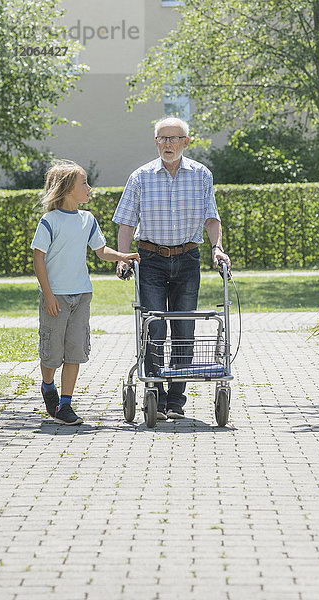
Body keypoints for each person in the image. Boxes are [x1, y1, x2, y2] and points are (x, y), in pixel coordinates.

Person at [113, 117, 231, 420]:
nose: (167, 144)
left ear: (186, 142)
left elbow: (211, 217)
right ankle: (155, 392)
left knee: (184, 329)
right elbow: (126, 220)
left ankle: (176, 401)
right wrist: (123, 257)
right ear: (156, 142)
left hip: (188, 259)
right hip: (150, 259)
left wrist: (217, 248)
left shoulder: (202, 175)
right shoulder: (140, 177)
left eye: (174, 138)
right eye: (162, 139)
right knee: (154, 327)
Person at [31, 160, 139, 425]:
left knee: (75, 351)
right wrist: (48, 294)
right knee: (52, 355)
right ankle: (48, 386)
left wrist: (122, 256)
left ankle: (65, 405)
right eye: (84, 183)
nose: (89, 188)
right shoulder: (49, 221)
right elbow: (38, 258)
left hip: (82, 296)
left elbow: (101, 251)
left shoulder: (87, 220)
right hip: (56, 297)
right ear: (68, 189)